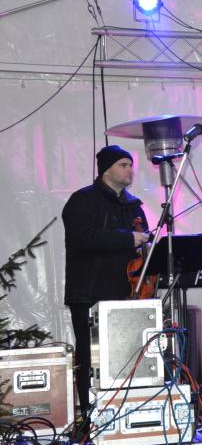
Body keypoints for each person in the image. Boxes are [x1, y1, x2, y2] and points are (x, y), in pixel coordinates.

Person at [63, 145, 149, 415]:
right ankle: (91, 415)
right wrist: (128, 239)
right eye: (123, 165)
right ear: (106, 170)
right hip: (90, 292)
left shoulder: (133, 205)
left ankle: (124, 413)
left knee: (126, 355)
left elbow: (142, 241)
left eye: (131, 165)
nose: (130, 170)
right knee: (91, 356)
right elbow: (80, 239)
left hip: (127, 291)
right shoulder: (83, 200)